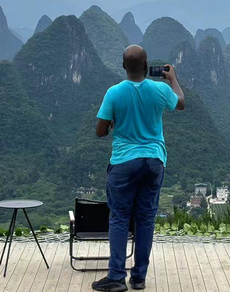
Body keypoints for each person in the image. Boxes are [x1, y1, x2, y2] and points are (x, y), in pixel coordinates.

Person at [92, 45, 185, 292]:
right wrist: (173, 78)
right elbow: (181, 103)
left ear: (123, 66)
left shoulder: (114, 93)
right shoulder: (161, 89)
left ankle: (115, 277)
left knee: (120, 218)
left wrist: (113, 123)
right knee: (145, 219)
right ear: (146, 66)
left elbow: (100, 132)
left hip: (124, 163)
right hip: (154, 161)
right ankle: (139, 278)